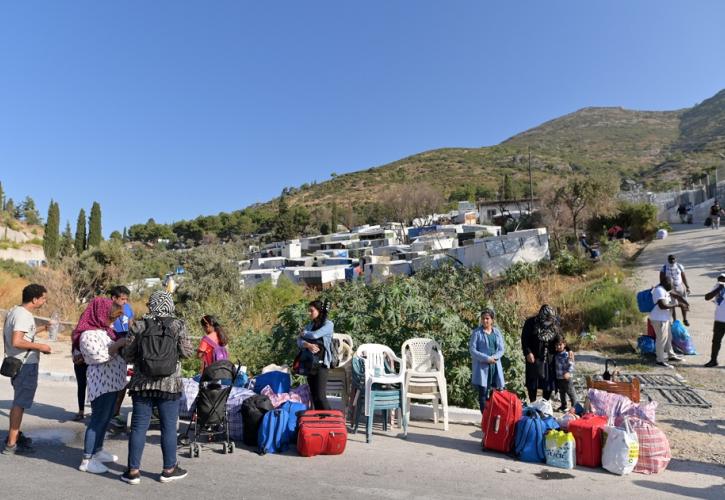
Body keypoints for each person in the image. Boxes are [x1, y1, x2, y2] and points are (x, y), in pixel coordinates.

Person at [121, 291, 193, 485]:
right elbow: (187, 353)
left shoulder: (139, 325)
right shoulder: (178, 325)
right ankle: (169, 469)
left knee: (138, 428)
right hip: (169, 385)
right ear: (169, 304)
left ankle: (133, 471)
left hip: (142, 384)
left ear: (151, 305)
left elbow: (127, 355)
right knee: (169, 428)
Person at [77, 298, 127, 474]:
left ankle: (97, 450)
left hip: (113, 382)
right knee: (97, 420)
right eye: (110, 317)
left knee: (106, 418)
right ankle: (87, 459)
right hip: (101, 384)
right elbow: (97, 357)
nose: (112, 321)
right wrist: (118, 345)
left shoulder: (106, 331)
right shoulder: (87, 335)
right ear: (99, 314)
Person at [2, 284, 51, 455]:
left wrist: (42, 329)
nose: (45, 301)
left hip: (15, 362)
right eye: (43, 298)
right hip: (24, 365)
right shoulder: (24, 315)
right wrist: (41, 346)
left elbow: (22, 333)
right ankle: (11, 444)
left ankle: (14, 435)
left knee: (19, 401)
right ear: (35, 299)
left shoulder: (15, 311)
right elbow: (17, 341)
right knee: (19, 404)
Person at [521, 305, 564, 403]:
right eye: (546, 319)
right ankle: (533, 402)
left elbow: (561, 338)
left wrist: (568, 350)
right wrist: (528, 352)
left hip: (549, 357)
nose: (548, 322)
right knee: (533, 382)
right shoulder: (531, 323)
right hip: (534, 356)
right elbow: (524, 339)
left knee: (548, 383)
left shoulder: (554, 323)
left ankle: (545, 403)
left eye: (550, 319)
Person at [297, 300, 334, 411]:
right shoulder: (310, 325)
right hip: (310, 363)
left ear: (319, 311)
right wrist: (307, 344)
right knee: (314, 396)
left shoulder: (328, 324)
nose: (309, 313)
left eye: (311, 311)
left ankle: (332, 422)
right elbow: (298, 341)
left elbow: (315, 335)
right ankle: (320, 423)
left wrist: (304, 333)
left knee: (321, 396)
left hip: (322, 365)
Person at [469, 308, 505, 413]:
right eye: (483, 319)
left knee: (496, 393)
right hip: (482, 368)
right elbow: (472, 349)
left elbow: (501, 349)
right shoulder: (477, 333)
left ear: (492, 320)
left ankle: (493, 419)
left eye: (487, 318)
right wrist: (486, 358)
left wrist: (494, 357)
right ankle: (485, 419)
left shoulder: (497, 332)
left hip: (495, 366)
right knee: (483, 394)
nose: (485, 321)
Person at [110, 285, 134, 429]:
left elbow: (132, 324)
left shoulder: (128, 308)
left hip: (128, 352)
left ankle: (116, 412)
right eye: (122, 299)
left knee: (127, 381)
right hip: (113, 349)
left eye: (126, 299)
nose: (125, 302)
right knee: (113, 383)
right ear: (114, 298)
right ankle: (108, 413)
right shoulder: (107, 309)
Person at [649, 276, 686, 369]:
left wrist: (683, 303)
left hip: (664, 319)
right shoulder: (659, 290)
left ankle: (671, 355)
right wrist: (676, 304)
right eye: (672, 284)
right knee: (661, 340)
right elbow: (662, 305)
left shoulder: (664, 289)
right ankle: (660, 360)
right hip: (659, 319)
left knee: (668, 338)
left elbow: (675, 295)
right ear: (666, 282)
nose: (672, 286)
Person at [659, 254, 691, 325]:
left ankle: (685, 319)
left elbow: (683, 277)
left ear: (676, 259)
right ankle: (674, 320)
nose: (672, 260)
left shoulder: (680, 266)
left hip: (680, 287)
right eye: (670, 259)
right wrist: (663, 288)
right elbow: (661, 278)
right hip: (670, 288)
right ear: (668, 260)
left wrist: (687, 286)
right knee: (672, 304)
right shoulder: (664, 267)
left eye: (673, 259)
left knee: (683, 303)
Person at [704, 273, 725, 368]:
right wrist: (719, 288)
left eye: (723, 279)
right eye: (720, 279)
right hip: (719, 319)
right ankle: (713, 360)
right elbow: (707, 297)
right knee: (716, 341)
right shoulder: (717, 287)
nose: (721, 281)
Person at [554, 336, 577, 412]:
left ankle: (575, 406)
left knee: (570, 392)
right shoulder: (556, 355)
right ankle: (563, 405)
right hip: (559, 378)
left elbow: (572, 364)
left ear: (564, 344)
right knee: (562, 393)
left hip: (567, 378)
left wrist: (568, 372)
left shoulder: (567, 354)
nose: (558, 346)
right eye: (557, 345)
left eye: (560, 344)